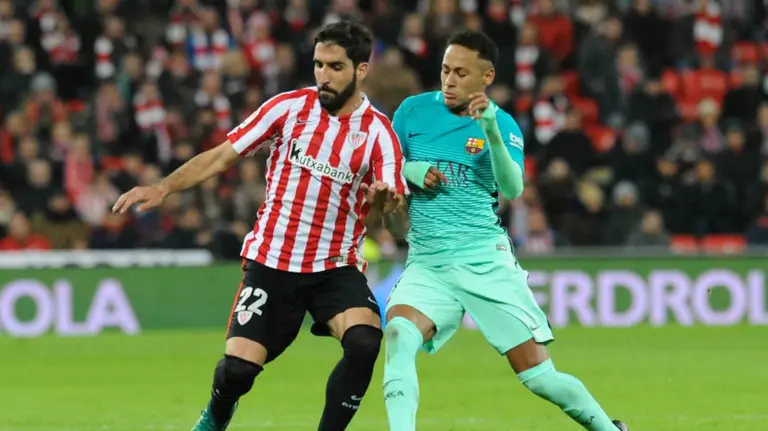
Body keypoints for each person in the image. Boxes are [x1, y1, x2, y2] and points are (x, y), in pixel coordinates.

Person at [112, 21, 409, 431]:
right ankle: (217, 415)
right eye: (318, 64)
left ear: (361, 70)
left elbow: (397, 225)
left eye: (335, 67)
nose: (323, 75)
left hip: (334, 266)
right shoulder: (287, 109)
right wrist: (163, 188)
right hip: (273, 261)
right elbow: (220, 156)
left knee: (365, 342)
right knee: (236, 371)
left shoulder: (380, 134)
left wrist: (389, 207)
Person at [381, 30, 629, 431]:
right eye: (446, 70)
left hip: (483, 260)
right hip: (428, 261)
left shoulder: (503, 124)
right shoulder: (411, 112)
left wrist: (491, 129)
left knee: (539, 377)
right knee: (397, 335)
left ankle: (609, 428)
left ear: (487, 77)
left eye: (461, 72)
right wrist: (411, 170)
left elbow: (512, 188)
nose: (449, 80)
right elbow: (385, 166)